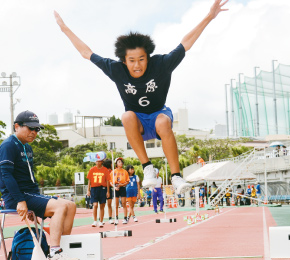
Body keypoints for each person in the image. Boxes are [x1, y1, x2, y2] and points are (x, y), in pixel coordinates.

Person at [54, 0, 228, 195]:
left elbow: (185, 44)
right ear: (124, 61)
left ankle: (176, 177)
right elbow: (86, 53)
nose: (137, 65)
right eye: (132, 61)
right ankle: (147, 168)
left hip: (158, 114)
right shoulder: (116, 69)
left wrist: (209, 17)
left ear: (148, 57)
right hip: (138, 122)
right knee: (127, 115)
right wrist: (64, 29)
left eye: (141, 59)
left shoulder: (161, 64)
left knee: (162, 121)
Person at [0, 111, 77, 260]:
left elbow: (30, 178)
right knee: (60, 207)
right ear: (17, 126)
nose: (34, 132)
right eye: (30, 128)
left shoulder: (27, 147)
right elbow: (5, 175)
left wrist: (37, 201)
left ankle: (63, 247)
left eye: (36, 129)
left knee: (70, 205)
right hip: (16, 196)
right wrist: (21, 201)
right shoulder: (8, 145)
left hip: (30, 194)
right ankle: (54, 252)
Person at [86, 152, 110, 227]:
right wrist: (88, 190)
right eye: (97, 161)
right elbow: (89, 180)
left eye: (99, 161)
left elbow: (107, 181)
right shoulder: (92, 169)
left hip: (102, 188)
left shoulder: (105, 170)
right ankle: (95, 221)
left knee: (102, 205)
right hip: (94, 189)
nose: (98, 162)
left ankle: (101, 221)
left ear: (102, 162)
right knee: (95, 205)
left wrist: (108, 191)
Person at [110, 157, 129, 224]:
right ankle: (116, 218)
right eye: (119, 162)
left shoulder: (125, 172)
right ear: (116, 163)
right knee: (116, 204)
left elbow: (127, 181)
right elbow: (110, 181)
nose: (120, 163)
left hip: (122, 187)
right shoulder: (113, 172)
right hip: (116, 187)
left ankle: (125, 218)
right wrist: (114, 187)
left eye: (121, 162)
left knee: (124, 203)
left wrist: (122, 185)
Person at [103, 158, 115, 224]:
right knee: (103, 205)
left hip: (109, 188)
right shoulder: (103, 170)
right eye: (111, 163)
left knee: (109, 204)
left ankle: (110, 218)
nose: (112, 164)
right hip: (103, 188)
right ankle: (101, 219)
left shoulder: (111, 171)